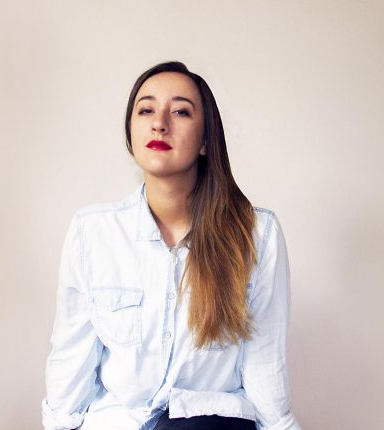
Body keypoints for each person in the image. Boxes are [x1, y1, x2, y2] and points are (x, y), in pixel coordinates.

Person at [40, 61, 301, 430]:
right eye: (146, 110)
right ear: (130, 133)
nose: (159, 123)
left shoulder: (256, 234)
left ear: (206, 140)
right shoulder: (92, 232)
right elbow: (72, 359)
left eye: (180, 112)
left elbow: (265, 365)